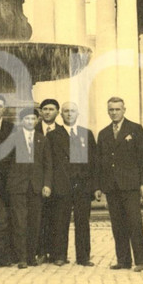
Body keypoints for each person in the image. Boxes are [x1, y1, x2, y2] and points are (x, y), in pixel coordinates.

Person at [96, 96, 143, 271]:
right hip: (112, 186)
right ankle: (123, 260)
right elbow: (100, 162)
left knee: (134, 222)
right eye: (111, 109)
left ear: (124, 110)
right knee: (117, 224)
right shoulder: (103, 133)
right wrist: (100, 186)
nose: (114, 113)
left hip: (130, 185)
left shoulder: (135, 129)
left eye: (117, 109)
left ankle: (141, 261)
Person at [4, 106, 53, 268]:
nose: (30, 122)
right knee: (19, 223)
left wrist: (47, 184)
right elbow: (6, 164)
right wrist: (11, 182)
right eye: (27, 119)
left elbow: (48, 165)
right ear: (21, 121)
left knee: (34, 222)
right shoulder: (13, 139)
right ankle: (22, 257)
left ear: (37, 120)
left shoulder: (42, 139)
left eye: (33, 119)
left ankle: (31, 256)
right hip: (18, 187)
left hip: (36, 187)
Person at [58, 102, 98, 267]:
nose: (69, 114)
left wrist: (95, 186)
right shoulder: (54, 135)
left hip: (82, 186)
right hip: (63, 185)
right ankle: (60, 255)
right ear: (61, 114)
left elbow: (94, 162)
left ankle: (83, 257)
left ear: (77, 114)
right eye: (66, 111)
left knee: (83, 222)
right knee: (61, 221)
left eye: (72, 111)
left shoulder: (86, 134)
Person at [37, 98, 70, 264]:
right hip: (36, 182)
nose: (48, 112)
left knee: (59, 219)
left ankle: (59, 254)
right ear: (40, 112)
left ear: (57, 112)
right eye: (45, 109)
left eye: (51, 109)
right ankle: (40, 252)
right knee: (39, 218)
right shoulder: (32, 128)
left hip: (58, 183)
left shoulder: (64, 132)